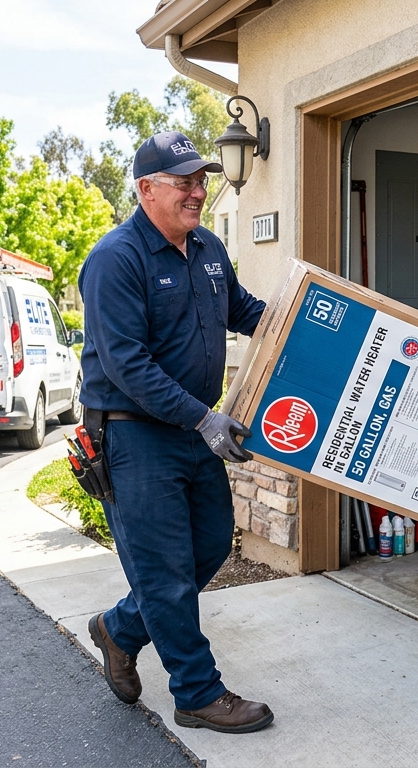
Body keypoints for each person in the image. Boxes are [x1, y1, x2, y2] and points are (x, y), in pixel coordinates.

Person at [78, 131, 273, 733]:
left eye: (201, 180)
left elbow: (242, 309)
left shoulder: (208, 248)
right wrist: (203, 417)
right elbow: (126, 365)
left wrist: (310, 325)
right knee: (164, 570)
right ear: (146, 190)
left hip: (192, 429)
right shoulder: (117, 259)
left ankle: (120, 627)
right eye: (183, 182)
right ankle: (196, 692)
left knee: (210, 545)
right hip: (135, 436)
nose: (197, 191)